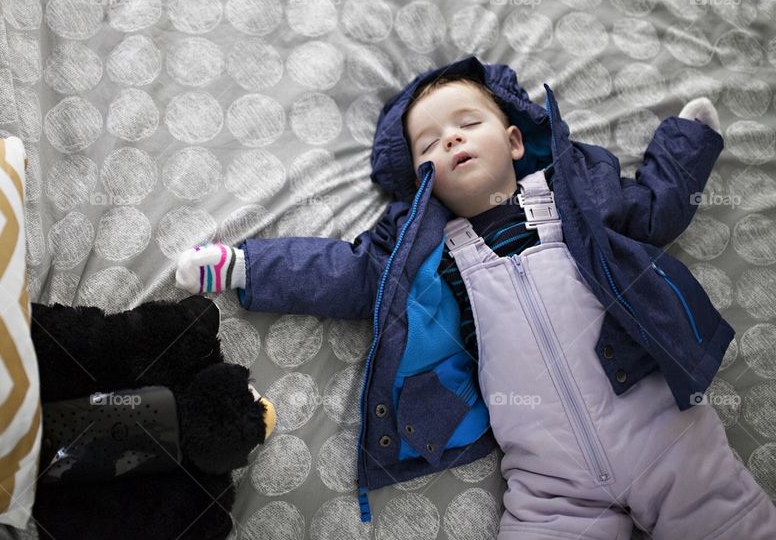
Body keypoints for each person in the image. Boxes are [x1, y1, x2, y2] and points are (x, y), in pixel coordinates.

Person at [175, 56, 776, 539]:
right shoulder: (427, 252)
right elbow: (344, 274)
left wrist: (688, 142)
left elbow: (654, 209)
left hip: (663, 431)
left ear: (515, 140)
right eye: (429, 144)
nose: (452, 140)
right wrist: (246, 266)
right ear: (420, 181)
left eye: (469, 123)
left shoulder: (575, 196)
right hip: (549, 479)